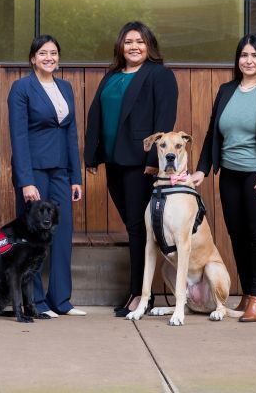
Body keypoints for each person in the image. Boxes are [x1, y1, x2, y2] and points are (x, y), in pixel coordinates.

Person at [191, 34, 256, 322]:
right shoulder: (226, 90)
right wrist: (202, 169)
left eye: (254, 55)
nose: (248, 61)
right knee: (237, 236)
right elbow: (214, 133)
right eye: (243, 55)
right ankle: (249, 293)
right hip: (231, 175)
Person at [84, 21, 178, 317]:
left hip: (140, 163)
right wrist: (92, 156)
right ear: (120, 47)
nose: (134, 46)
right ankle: (140, 291)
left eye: (139, 41)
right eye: (128, 42)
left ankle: (141, 294)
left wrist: (153, 163)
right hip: (114, 160)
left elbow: (164, 122)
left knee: (139, 228)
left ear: (149, 45)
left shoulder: (159, 75)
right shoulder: (111, 76)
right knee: (135, 227)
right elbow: (96, 115)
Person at [8, 34, 85, 317]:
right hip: (35, 170)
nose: (49, 58)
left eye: (53, 53)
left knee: (62, 234)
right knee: (33, 236)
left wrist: (76, 176)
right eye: (43, 53)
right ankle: (36, 302)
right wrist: (26, 180)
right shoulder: (21, 88)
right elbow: (18, 136)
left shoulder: (65, 87)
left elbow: (71, 133)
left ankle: (61, 301)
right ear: (32, 58)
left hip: (61, 171)